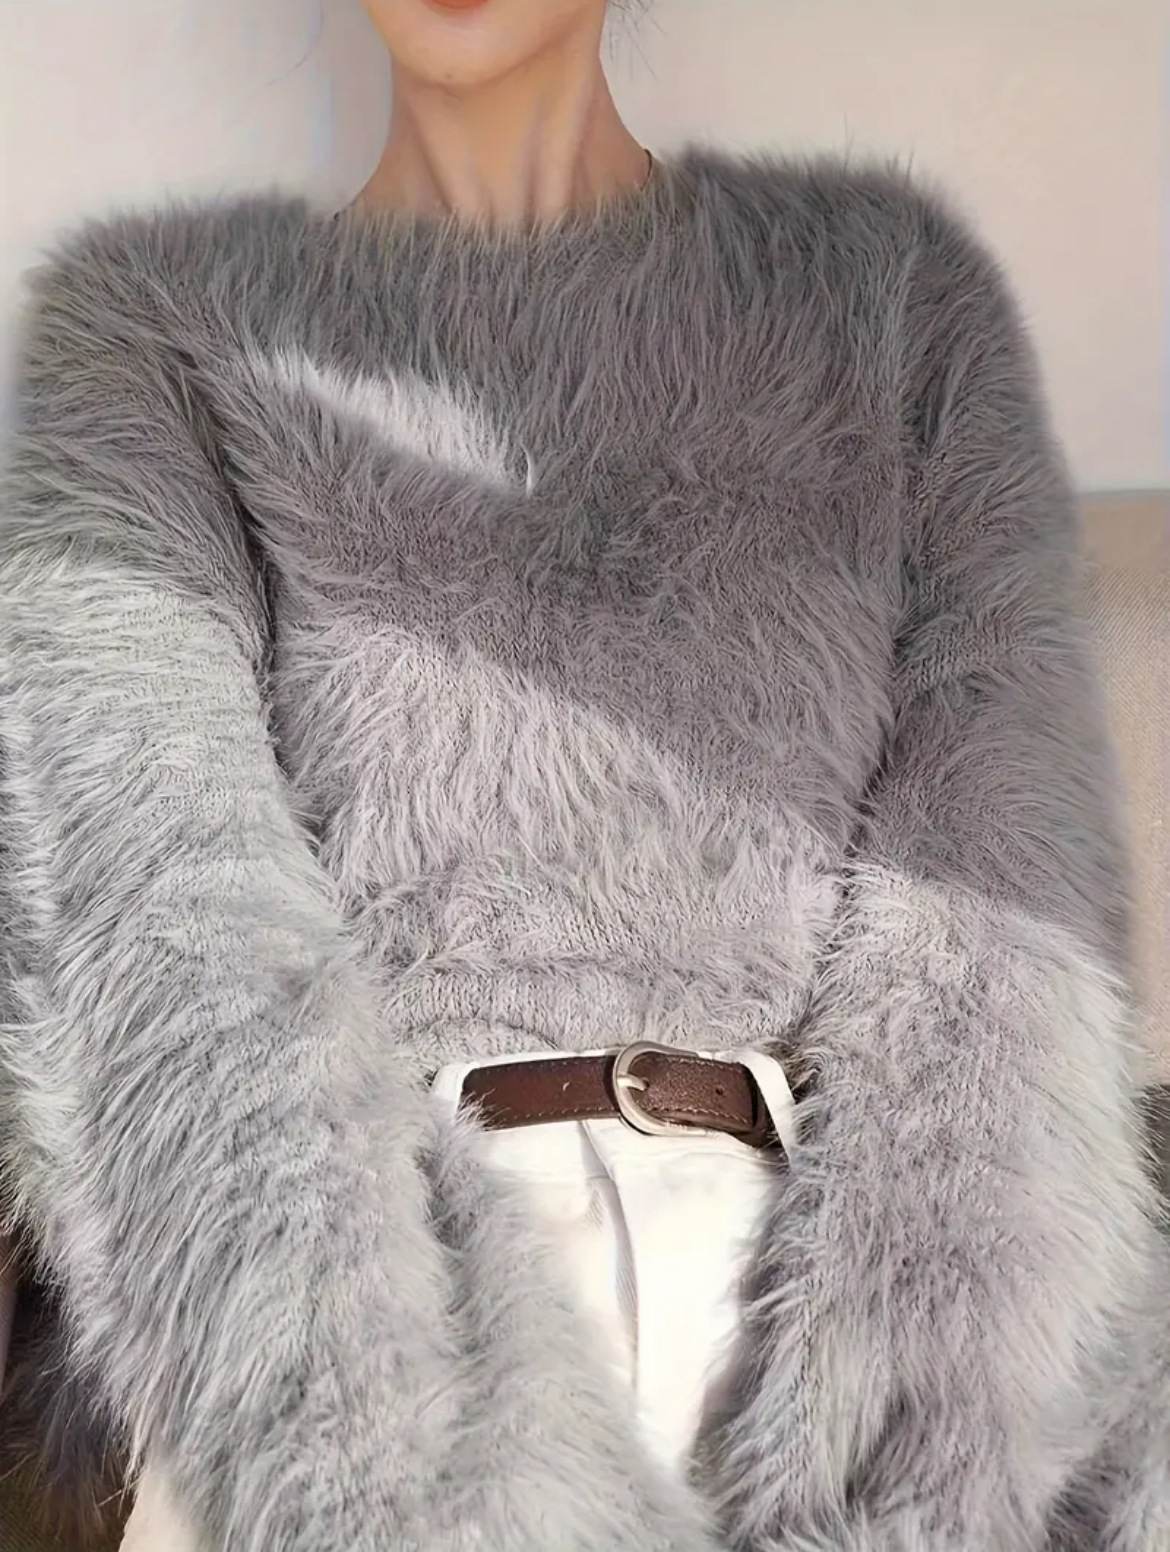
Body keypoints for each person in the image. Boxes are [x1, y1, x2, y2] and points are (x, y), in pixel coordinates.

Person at [0, 0, 1165, 1549]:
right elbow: (136, 911)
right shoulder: (151, 328)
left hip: (807, 1292)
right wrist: (371, 1451)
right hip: (354, 1315)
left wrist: (928, 1430)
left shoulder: (889, 295)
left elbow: (1002, 918)